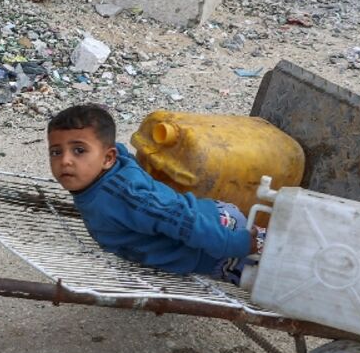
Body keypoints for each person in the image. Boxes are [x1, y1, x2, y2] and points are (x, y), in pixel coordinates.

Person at [46, 103, 264, 284]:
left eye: (79, 150)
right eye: (56, 152)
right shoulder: (101, 176)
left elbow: (178, 218)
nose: (65, 160)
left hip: (214, 236)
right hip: (207, 229)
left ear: (108, 159)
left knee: (272, 269)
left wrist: (233, 243)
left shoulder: (126, 197)